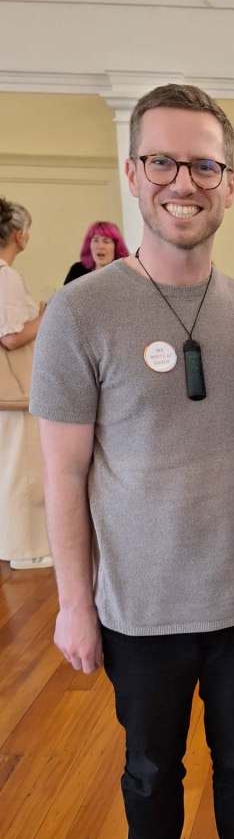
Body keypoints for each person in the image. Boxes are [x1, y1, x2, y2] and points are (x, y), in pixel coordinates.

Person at [30, 84, 234, 839]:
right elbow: (62, 472)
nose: (187, 181)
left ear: (231, 182)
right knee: (150, 771)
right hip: (138, 605)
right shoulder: (82, 311)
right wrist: (73, 605)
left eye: (206, 164)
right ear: (134, 174)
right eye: (166, 161)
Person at [0, 198, 52, 569]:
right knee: (23, 469)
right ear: (19, 235)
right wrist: (45, 315)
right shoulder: (6, 276)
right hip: (14, 391)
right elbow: (12, 337)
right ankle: (25, 548)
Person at [63, 220, 130, 283]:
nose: (100, 246)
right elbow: (63, 294)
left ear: (116, 247)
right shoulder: (77, 270)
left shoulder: (125, 274)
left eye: (106, 241)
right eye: (95, 240)